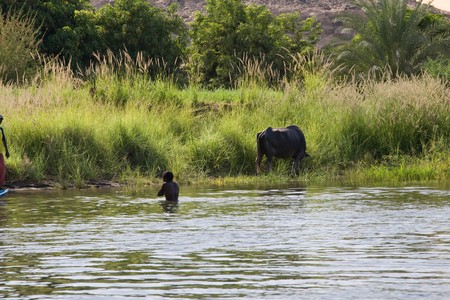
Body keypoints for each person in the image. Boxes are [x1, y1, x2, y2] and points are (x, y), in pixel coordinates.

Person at [0, 115, 10, 188]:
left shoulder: (1, 129)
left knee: (2, 169)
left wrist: (7, 151)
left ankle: (0, 185)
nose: (1, 122)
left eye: (1, 120)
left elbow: (4, 140)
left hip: (0, 152)